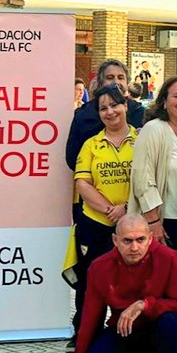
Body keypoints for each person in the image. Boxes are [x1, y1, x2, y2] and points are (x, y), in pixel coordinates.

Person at [63, 214, 177, 353]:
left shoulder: (169, 258)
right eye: (127, 241)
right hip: (126, 331)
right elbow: (89, 322)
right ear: (115, 240)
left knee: (173, 323)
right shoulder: (100, 267)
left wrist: (145, 305)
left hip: (161, 328)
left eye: (140, 240)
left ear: (150, 238)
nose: (134, 248)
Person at [129, 76, 177, 291]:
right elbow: (142, 179)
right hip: (166, 223)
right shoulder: (154, 130)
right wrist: (153, 222)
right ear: (164, 101)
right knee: (169, 286)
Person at [71, 84, 137, 334]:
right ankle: (85, 333)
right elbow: (82, 183)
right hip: (96, 224)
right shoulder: (91, 144)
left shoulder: (141, 140)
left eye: (115, 105)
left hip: (132, 225)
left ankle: (127, 333)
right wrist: (111, 210)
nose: (110, 112)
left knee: (131, 283)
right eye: (103, 108)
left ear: (126, 106)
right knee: (90, 282)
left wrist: (126, 208)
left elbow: (148, 182)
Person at [65, 60, 144, 170]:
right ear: (101, 83)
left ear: (127, 83)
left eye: (121, 78)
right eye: (110, 78)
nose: (116, 82)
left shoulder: (140, 113)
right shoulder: (84, 115)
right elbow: (73, 158)